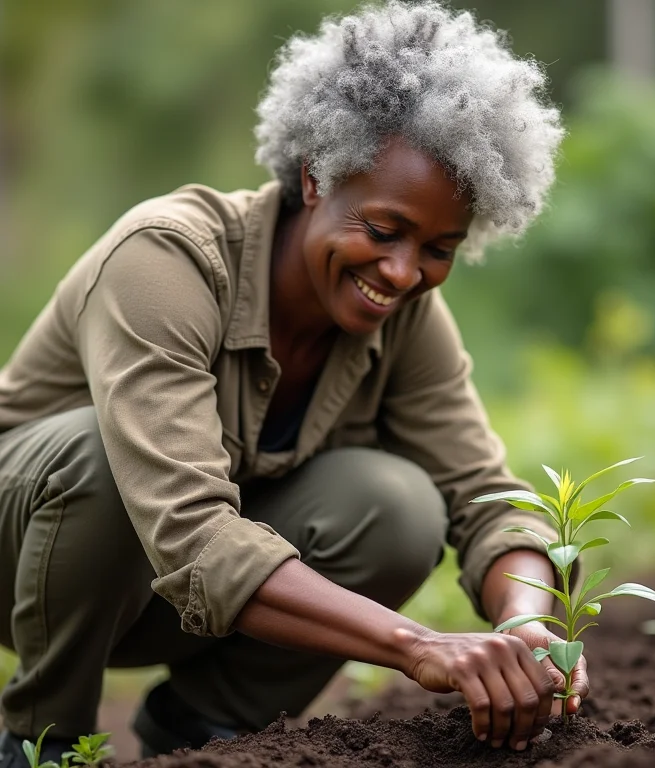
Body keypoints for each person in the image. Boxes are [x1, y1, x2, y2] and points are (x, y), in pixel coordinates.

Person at [0, 1, 588, 764]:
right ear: (315, 177)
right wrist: (417, 646)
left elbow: (486, 496)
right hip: (31, 564)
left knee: (398, 507)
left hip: (176, 595)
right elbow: (191, 534)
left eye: (438, 249)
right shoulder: (167, 262)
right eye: (383, 230)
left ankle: (205, 728)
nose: (403, 272)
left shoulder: (406, 317)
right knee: (99, 455)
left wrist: (526, 623)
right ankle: (42, 739)